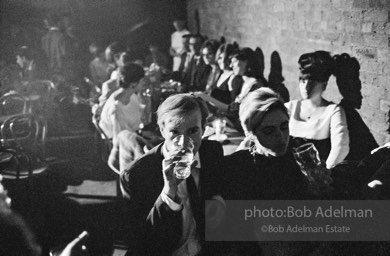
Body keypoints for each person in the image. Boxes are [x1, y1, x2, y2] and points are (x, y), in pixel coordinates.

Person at [120, 93, 224, 255]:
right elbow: (141, 242)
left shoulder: (213, 152)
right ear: (162, 130)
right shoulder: (136, 174)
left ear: (204, 128)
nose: (184, 142)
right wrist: (168, 192)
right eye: (175, 132)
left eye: (192, 131)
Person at [222, 88, 311, 255]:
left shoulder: (300, 152)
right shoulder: (239, 167)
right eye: (269, 131)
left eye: (284, 127)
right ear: (250, 134)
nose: (281, 137)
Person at [285, 51, 349, 169]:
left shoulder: (333, 111)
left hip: (315, 177)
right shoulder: (289, 107)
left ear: (324, 84)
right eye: (302, 81)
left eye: (312, 82)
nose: (305, 87)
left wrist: (323, 174)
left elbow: (341, 147)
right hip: (286, 171)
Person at [99, 63, 146, 143]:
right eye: (142, 81)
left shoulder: (130, 95)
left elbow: (140, 119)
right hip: (124, 144)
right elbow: (122, 138)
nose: (144, 83)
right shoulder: (116, 107)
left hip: (133, 134)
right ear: (133, 84)